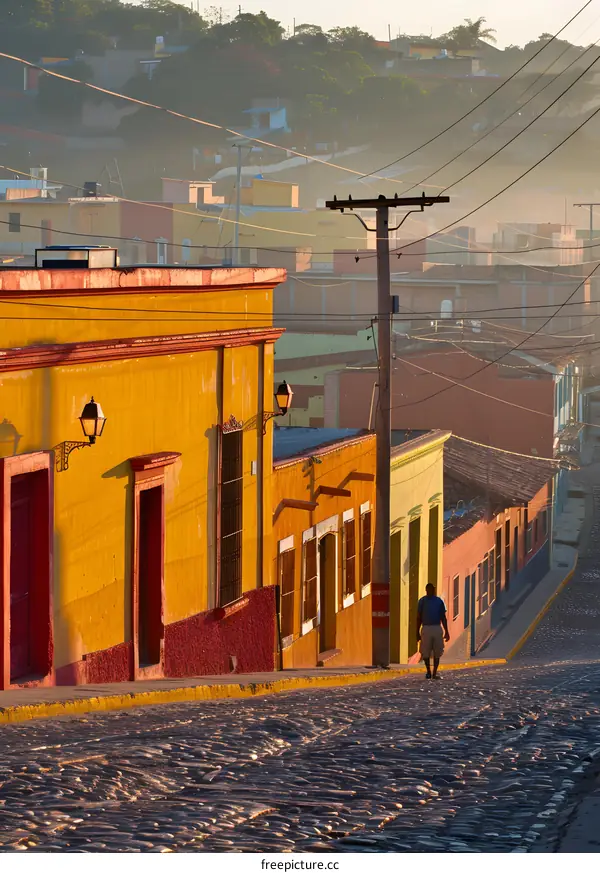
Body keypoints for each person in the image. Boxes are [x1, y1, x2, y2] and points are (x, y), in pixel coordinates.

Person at [416, 583, 450, 680]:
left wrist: (446, 631)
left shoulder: (439, 601)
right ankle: (428, 671)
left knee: (437, 651)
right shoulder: (422, 601)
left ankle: (434, 672)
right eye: (430, 589)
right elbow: (418, 618)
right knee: (425, 652)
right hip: (426, 627)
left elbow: (443, 617)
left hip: (436, 627)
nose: (432, 591)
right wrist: (417, 632)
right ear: (427, 590)